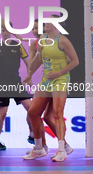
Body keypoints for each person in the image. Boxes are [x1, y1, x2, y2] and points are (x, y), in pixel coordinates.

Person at [22, 15, 79, 162]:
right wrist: (29, 75)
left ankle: (61, 150)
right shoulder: (42, 38)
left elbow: (75, 61)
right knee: (33, 113)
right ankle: (39, 149)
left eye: (49, 22)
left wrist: (59, 73)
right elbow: (37, 61)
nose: (45, 23)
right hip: (46, 80)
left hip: (60, 79)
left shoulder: (63, 41)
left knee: (58, 114)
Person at [0, 23, 33, 150]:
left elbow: (28, 62)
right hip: (1, 84)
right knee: (3, 113)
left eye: (7, 30)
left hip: (16, 83)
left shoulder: (18, 46)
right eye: (2, 30)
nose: (5, 33)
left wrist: (29, 77)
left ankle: (32, 134)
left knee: (31, 109)